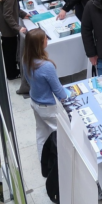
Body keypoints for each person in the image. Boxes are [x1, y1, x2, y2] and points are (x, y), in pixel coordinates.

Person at [22, 28, 67, 160]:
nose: (47, 39)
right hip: (48, 107)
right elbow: (58, 90)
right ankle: (59, 163)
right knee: (60, 134)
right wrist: (66, 98)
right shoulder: (46, 66)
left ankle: (43, 160)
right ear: (40, 44)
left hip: (35, 102)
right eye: (45, 38)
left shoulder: (26, 59)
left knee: (41, 133)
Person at [0, 0, 29, 80]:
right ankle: (12, 73)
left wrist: (22, 14)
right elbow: (7, 14)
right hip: (6, 28)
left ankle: (12, 70)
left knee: (9, 49)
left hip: (3, 25)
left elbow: (14, 8)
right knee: (9, 50)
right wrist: (18, 27)